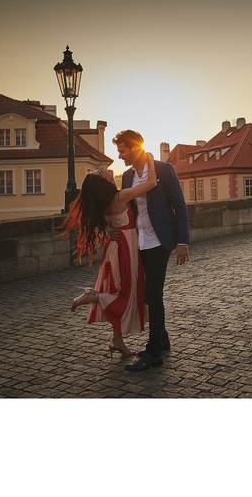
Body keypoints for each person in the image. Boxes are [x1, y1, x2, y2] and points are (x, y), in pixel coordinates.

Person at [62, 153, 159, 358]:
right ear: (104, 182)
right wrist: (149, 158)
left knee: (121, 290)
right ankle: (93, 296)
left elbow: (106, 223)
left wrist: (107, 229)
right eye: (101, 171)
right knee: (128, 293)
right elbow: (151, 183)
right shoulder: (120, 196)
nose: (104, 169)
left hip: (115, 248)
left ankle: (117, 340)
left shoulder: (104, 204)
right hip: (126, 248)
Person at [114, 130, 190, 372]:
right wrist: (114, 230)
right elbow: (126, 208)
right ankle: (163, 339)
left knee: (153, 294)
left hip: (160, 239)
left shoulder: (163, 169)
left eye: (122, 149)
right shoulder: (126, 176)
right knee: (149, 293)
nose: (120, 154)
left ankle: (154, 352)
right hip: (140, 241)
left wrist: (182, 241)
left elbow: (179, 204)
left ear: (135, 147)